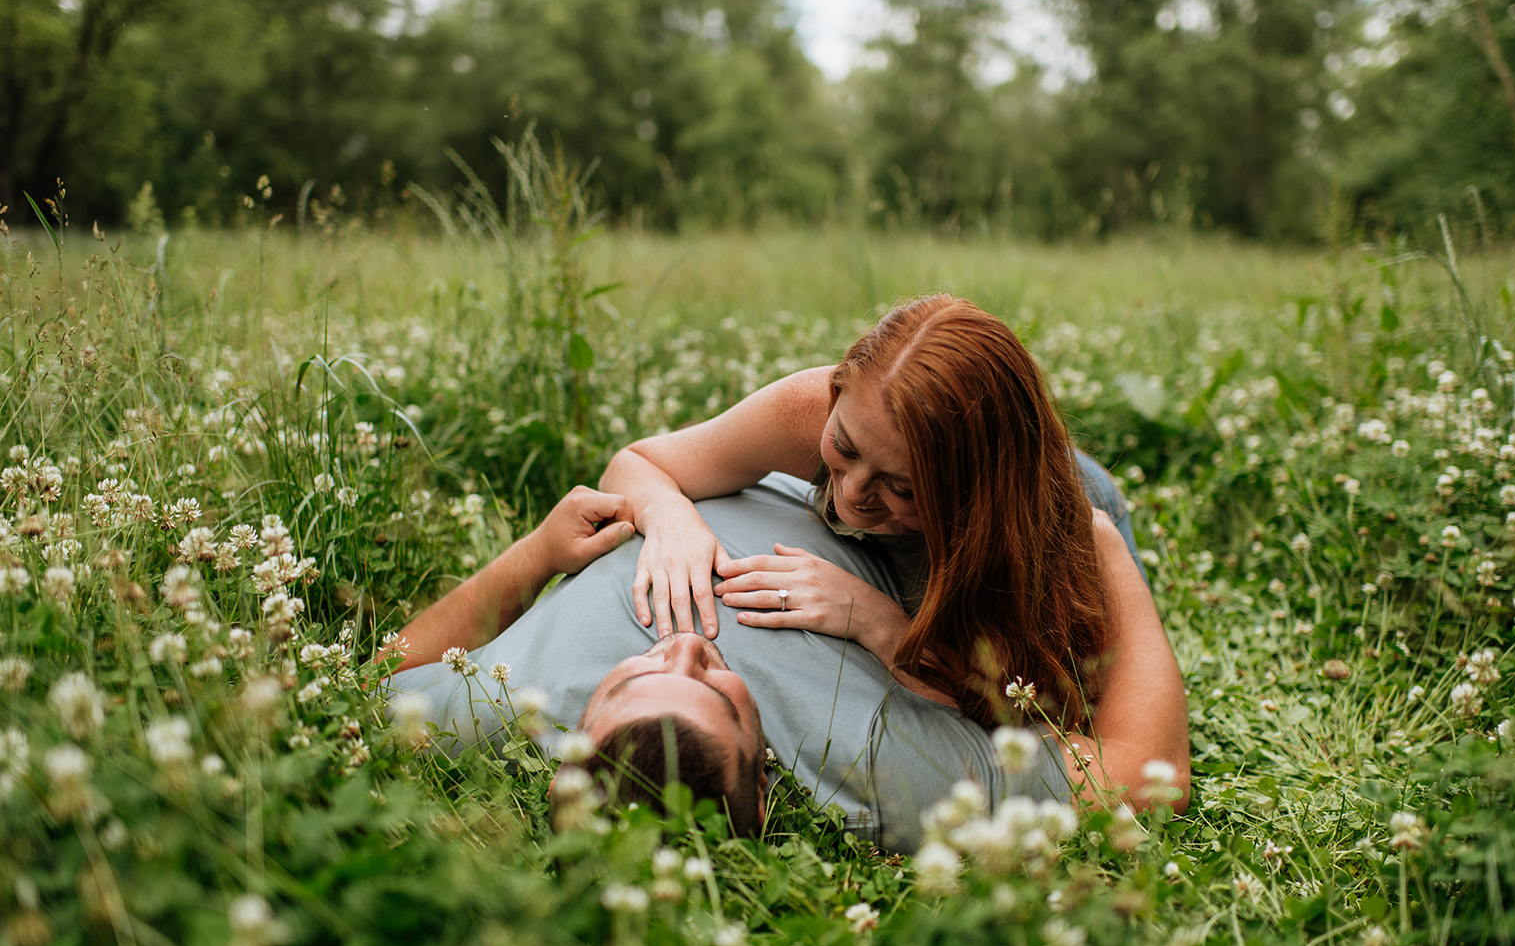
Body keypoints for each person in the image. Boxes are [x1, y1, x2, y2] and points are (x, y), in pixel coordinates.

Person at [388, 469, 1188, 851]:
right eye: (722, 694)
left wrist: (534, 554)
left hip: (799, 463)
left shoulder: (505, 703)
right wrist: (1104, 546)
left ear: (571, 738)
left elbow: (388, 670)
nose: (686, 646)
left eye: (633, 675)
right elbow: (1145, 772)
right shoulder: (873, 766)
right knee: (1073, 492)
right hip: (988, 507)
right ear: (764, 786)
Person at [601, 293, 1171, 734]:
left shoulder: (1059, 543)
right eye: (843, 450)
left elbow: (1043, 719)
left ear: (975, 499)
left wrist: (879, 622)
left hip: (1075, 493)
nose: (851, 494)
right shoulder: (811, 410)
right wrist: (670, 517)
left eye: (902, 488)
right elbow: (636, 463)